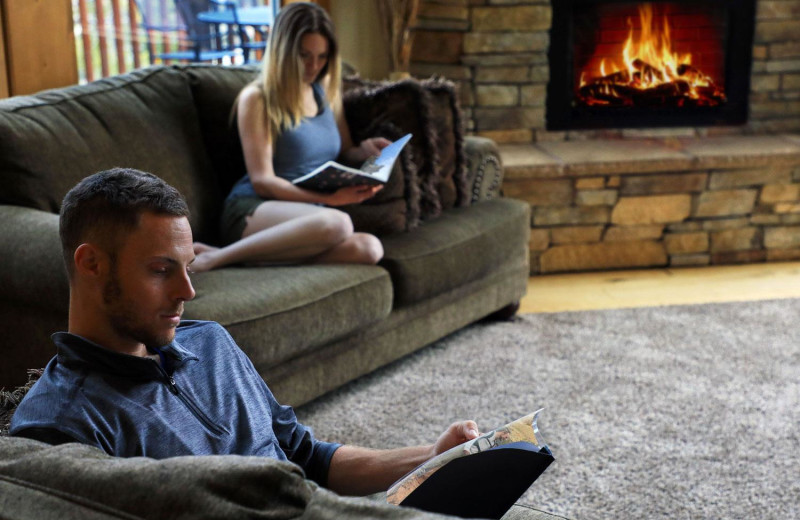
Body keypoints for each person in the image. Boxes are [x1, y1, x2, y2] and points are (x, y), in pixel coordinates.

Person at [9, 168, 480, 497]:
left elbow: (306, 457)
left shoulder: (208, 342)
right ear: (91, 264)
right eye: (160, 270)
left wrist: (434, 458)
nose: (187, 291)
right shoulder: (60, 429)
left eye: (188, 267)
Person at [191, 2, 388, 273]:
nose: (314, 66)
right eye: (304, 55)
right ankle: (217, 258)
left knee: (369, 249)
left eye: (322, 57)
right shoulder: (258, 98)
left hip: (308, 218)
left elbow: (344, 150)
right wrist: (332, 200)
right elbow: (263, 181)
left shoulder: (324, 92)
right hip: (257, 209)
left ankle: (254, 259)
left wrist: (365, 151)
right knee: (339, 223)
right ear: (284, 52)